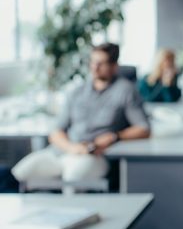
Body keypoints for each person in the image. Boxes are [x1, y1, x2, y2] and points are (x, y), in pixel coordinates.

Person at [12, 43, 150, 186]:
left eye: (101, 64)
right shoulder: (77, 91)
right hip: (64, 151)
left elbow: (143, 128)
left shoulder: (126, 90)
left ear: (114, 66)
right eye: (93, 62)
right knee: (20, 172)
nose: (95, 68)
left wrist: (115, 137)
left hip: (95, 155)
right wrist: (73, 148)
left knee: (73, 177)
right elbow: (55, 132)